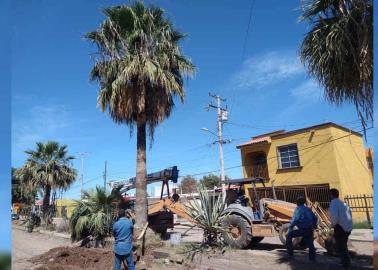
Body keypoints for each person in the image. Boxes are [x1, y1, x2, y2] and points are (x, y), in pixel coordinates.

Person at [286, 196, 317, 262]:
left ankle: (290, 255)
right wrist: (314, 226)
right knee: (310, 244)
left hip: (303, 229)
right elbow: (315, 218)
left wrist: (290, 228)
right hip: (309, 229)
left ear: (298, 202)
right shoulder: (308, 209)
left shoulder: (298, 209)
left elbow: (295, 220)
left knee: (289, 236)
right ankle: (312, 259)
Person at [329, 188, 353, 269]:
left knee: (340, 247)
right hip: (348, 227)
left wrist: (332, 225)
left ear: (331, 195)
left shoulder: (333, 203)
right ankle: (346, 261)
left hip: (340, 228)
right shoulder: (343, 203)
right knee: (344, 245)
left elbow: (335, 217)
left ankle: (345, 264)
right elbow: (349, 215)